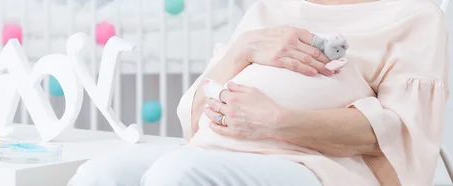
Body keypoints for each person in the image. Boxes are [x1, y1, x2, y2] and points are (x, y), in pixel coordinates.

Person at [68, 0, 449, 185]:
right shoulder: (270, 7)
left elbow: (402, 135)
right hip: (219, 148)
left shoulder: (415, 15)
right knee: (102, 173)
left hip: (322, 166)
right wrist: (243, 49)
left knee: (177, 173)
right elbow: (195, 121)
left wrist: (276, 122)